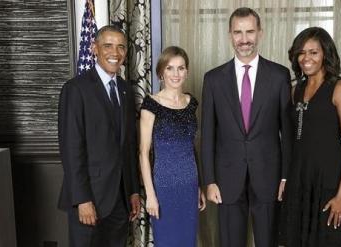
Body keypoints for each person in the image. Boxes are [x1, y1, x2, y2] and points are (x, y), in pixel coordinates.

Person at [201, 7, 292, 247]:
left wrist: (285, 177)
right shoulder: (213, 79)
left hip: (269, 178)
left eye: (250, 32)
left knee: (267, 242)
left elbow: (288, 133)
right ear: (230, 34)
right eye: (238, 32)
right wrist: (209, 180)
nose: (244, 39)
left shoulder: (280, 75)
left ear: (260, 33)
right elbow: (208, 134)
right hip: (226, 179)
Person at [280, 27, 341, 247]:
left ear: (325, 54)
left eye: (313, 52)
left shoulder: (340, 89)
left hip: (331, 180)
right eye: (301, 52)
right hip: (301, 180)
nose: (306, 58)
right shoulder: (295, 90)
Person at [57, 25, 141, 247]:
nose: (115, 53)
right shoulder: (76, 89)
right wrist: (82, 199)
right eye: (108, 46)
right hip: (89, 198)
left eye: (121, 47)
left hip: (120, 200)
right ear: (94, 48)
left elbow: (129, 145)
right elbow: (71, 149)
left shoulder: (125, 89)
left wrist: (132, 191)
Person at [139, 46, 206, 246]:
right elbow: (143, 153)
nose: (176, 74)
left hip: (189, 185)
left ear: (187, 72)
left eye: (181, 68)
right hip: (164, 187)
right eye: (170, 68)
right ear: (161, 72)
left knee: (188, 241)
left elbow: (191, 147)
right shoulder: (151, 104)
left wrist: (199, 186)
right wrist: (150, 195)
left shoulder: (191, 103)